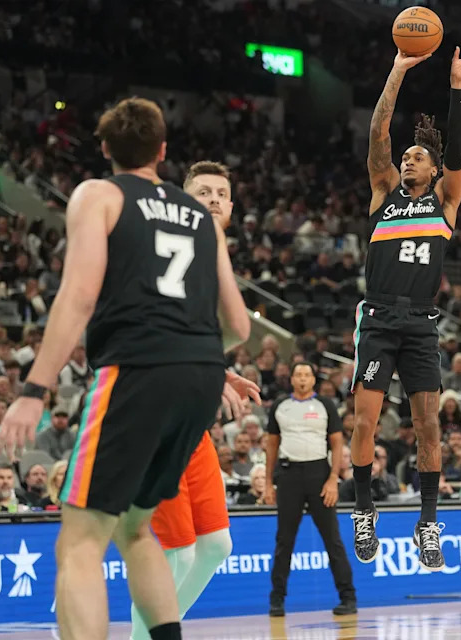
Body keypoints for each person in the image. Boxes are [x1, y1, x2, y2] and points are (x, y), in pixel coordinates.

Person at [0, 97, 249, 640]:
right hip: (201, 375)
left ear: (105, 147)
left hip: (138, 370)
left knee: (80, 542)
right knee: (136, 530)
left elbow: (78, 295)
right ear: (162, 151)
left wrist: (35, 389)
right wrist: (203, 358)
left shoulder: (98, 194)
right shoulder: (199, 218)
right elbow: (238, 326)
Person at [349, 40, 461, 571]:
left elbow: (458, 152)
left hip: (421, 325)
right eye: (406, 156)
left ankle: (428, 523)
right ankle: (365, 508)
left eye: (417, 157)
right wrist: (398, 71)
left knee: (429, 427)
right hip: (380, 317)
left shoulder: (446, 202)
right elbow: (378, 133)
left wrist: (456, 87)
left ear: (433, 170)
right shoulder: (382, 193)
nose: (407, 159)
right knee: (365, 424)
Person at [130, 160, 264, 640]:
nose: (212, 198)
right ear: (182, 200)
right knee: (176, 551)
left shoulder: (213, 259)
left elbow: (191, 338)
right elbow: (150, 333)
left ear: (231, 206)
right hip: (151, 417)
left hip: (189, 422)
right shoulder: (160, 249)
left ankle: (147, 635)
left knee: (216, 546)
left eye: (220, 193)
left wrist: (220, 372)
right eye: (202, 191)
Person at [265, 362, 355, 617]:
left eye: (307, 375)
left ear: (313, 380)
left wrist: (332, 479)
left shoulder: (326, 405)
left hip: (319, 475)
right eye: (298, 375)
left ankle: (348, 597)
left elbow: (337, 444)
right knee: (284, 540)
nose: (303, 379)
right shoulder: (280, 406)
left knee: (332, 539)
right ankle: (277, 600)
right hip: (289, 475)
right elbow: (271, 446)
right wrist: (270, 482)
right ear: (291, 379)